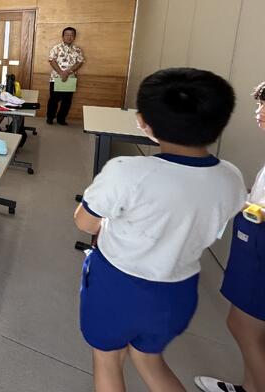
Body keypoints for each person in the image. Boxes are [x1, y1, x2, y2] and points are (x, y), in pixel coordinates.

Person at [74, 67, 246, 392]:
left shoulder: (127, 171)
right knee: (150, 360)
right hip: (178, 290)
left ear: (143, 121)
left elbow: (85, 222)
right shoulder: (231, 177)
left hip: (118, 284)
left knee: (108, 360)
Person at [195, 80, 265, 392]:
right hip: (252, 244)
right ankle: (249, 386)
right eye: (259, 104)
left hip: (260, 249)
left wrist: (239, 203)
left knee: (243, 326)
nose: (258, 112)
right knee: (249, 327)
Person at [46, 27, 84, 125]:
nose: (69, 37)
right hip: (56, 78)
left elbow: (80, 62)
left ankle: (61, 119)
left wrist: (68, 72)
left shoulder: (77, 49)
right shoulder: (56, 48)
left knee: (67, 101)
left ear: (74, 37)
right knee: (53, 100)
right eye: (67, 35)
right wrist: (61, 72)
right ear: (63, 36)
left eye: (71, 35)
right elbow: (51, 60)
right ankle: (50, 117)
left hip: (70, 79)